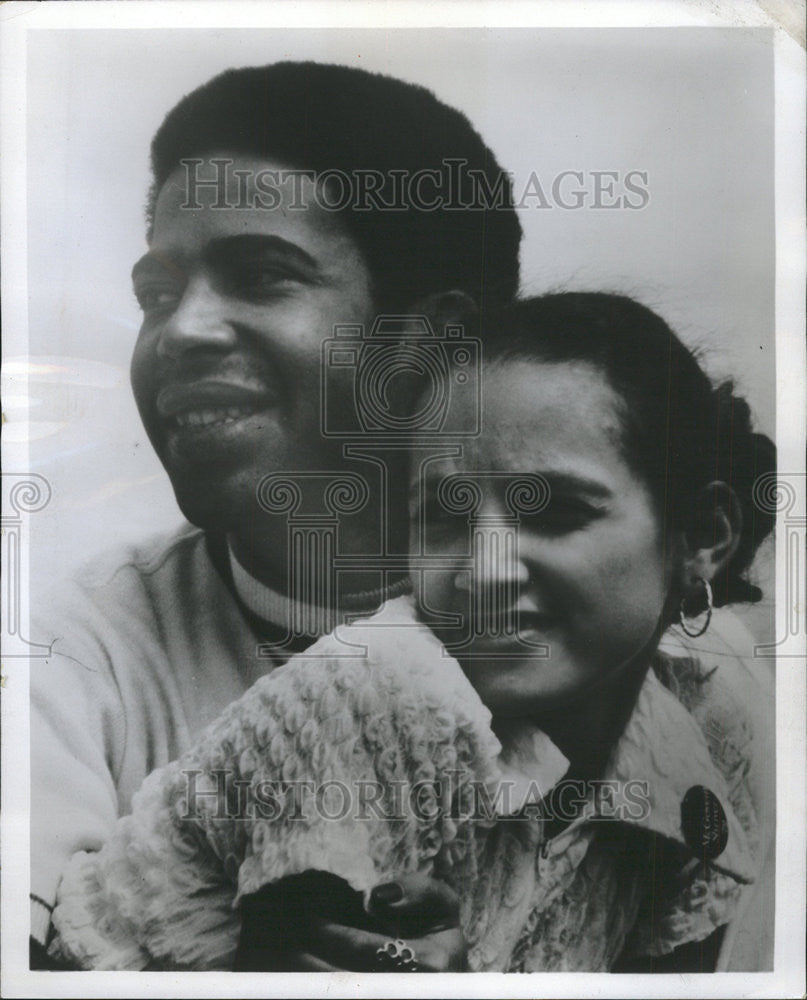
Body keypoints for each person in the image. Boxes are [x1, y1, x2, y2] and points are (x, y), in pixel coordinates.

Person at [46, 293, 775, 972]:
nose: (483, 573)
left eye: (553, 511)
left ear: (702, 538)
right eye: (446, 515)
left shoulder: (713, 719)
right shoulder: (367, 699)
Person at [29, 61, 522, 963]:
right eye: (157, 295)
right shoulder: (70, 650)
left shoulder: (604, 632)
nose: (180, 331)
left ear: (430, 341)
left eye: (261, 276)